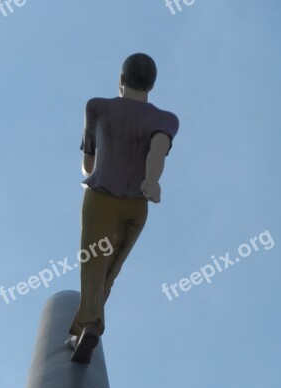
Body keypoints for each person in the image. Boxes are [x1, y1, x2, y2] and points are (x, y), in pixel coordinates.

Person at [66, 53, 180, 364]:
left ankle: (89, 325)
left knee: (92, 267)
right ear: (152, 85)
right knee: (110, 271)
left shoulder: (97, 107)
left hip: (101, 199)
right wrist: (152, 181)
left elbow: (87, 163)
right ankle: (80, 329)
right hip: (136, 207)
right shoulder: (166, 119)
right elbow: (157, 151)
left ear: (121, 79)